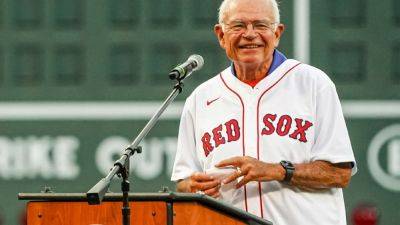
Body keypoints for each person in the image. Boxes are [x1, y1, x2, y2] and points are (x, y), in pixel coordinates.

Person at [171, 0, 357, 224]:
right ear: (221, 35)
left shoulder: (313, 84)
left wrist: (277, 170)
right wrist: (192, 186)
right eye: (238, 25)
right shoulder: (200, 99)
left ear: (277, 33)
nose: (250, 34)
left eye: (260, 25)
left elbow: (339, 173)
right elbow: (183, 181)